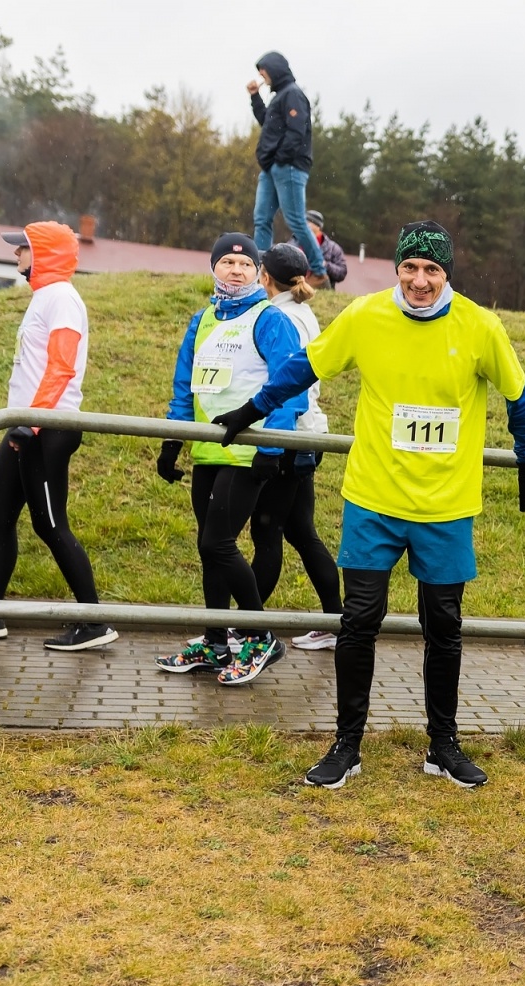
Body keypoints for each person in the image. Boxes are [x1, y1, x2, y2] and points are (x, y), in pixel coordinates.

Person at [212, 221, 525, 791]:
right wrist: (252, 410)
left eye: (432, 271)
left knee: (443, 625)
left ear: (446, 275)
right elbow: (305, 367)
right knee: (357, 621)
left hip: (445, 505)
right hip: (374, 499)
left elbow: (518, 394)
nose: (420, 281)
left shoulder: (480, 326)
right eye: (411, 269)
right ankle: (347, 744)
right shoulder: (366, 316)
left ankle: (443, 746)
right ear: (398, 269)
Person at [154, 233, 307, 684]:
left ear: (259, 273)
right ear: (213, 268)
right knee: (210, 552)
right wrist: (171, 441)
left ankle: (261, 636)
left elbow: (290, 383)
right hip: (207, 450)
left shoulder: (269, 318)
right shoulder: (201, 320)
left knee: (216, 544)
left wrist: (271, 447)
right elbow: (186, 385)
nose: (236, 270)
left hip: (248, 452)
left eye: (245, 264)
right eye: (227, 263)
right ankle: (216, 641)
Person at [0, 221, 117, 651]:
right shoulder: (45, 296)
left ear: (42, 253)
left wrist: (31, 423)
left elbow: (62, 366)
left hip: (45, 427)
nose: (15, 255)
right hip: (24, 423)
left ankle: (94, 621)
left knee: (50, 523)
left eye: (21, 249)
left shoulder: (61, 298)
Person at [251, 243, 342, 651]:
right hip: (309, 434)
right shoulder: (304, 312)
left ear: (264, 277)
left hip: (289, 435)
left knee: (266, 533)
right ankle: (337, 621)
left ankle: (243, 627)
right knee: (302, 533)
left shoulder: (281, 316)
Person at [248, 52, 326, 284]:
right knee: (262, 219)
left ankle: (319, 272)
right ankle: (260, 271)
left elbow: (296, 131)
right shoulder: (279, 97)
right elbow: (268, 123)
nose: (262, 76)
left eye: (263, 71)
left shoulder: (293, 94)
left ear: (274, 69)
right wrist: (255, 96)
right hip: (272, 168)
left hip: (288, 167)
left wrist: (280, 159)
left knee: (295, 220)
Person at [305, 212, 347, 291]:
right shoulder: (294, 242)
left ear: (318, 226)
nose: (305, 224)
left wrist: (325, 265)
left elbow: (342, 273)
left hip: (322, 291)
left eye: (308, 221)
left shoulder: (333, 248)